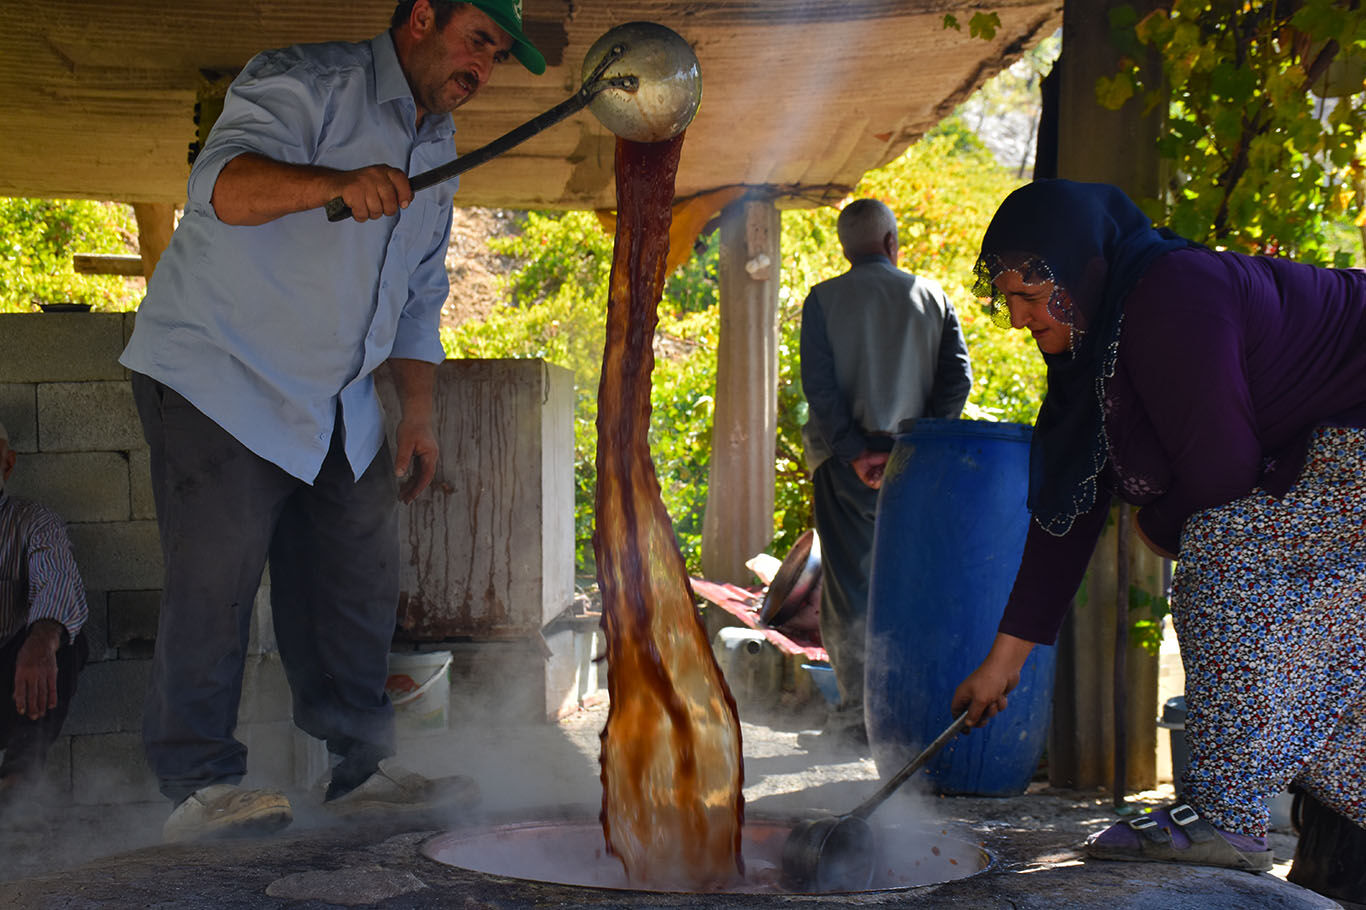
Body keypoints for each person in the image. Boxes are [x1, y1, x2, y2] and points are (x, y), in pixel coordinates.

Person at [118, 0, 544, 842]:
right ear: (422, 16)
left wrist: (416, 412)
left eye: (496, 54)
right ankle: (197, 785)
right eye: (478, 40)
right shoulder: (305, 81)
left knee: (358, 578)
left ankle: (360, 772)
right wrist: (336, 184)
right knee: (217, 582)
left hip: (337, 400)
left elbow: (420, 293)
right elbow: (221, 185)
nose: (484, 68)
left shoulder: (439, 145)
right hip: (220, 373)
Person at [951, 179, 1366, 904]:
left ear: (1081, 274)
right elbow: (1070, 512)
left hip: (1351, 440)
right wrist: (1002, 663)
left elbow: (1221, 469)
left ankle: (1226, 817)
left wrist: (1152, 523)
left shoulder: (1172, 296)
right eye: (1007, 299)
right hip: (1335, 451)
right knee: (1325, 659)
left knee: (1223, 552)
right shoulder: (1099, 348)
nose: (1017, 320)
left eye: (1030, 296)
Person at [799, 198, 973, 753]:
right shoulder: (932, 296)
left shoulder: (824, 299)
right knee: (914, 579)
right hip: (915, 465)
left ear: (845, 250)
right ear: (893, 242)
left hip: (842, 468)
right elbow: (957, 380)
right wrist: (914, 446)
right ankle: (908, 711)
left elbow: (820, 389)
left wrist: (855, 452)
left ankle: (856, 718)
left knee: (849, 588)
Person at [0, 420, 89, 824]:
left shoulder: (31, 520)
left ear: (7, 462)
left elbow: (58, 581)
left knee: (63, 637)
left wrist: (42, 640)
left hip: (11, 686)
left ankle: (17, 781)